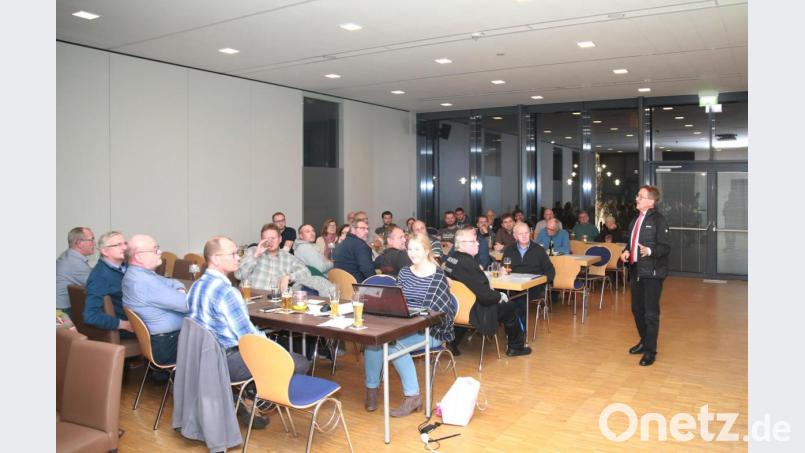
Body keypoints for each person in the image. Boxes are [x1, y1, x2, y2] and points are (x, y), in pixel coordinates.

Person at [188, 236, 309, 428]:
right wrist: (276, 349)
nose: (238, 257)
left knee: (275, 348)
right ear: (216, 259)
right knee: (300, 363)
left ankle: (243, 395)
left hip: (204, 358)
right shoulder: (227, 293)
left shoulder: (195, 286)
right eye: (234, 254)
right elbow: (249, 338)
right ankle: (255, 399)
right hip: (227, 360)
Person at [363, 233, 455, 416]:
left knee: (393, 347)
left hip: (431, 330)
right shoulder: (405, 272)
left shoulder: (437, 275)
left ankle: (413, 397)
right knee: (373, 342)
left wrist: (414, 316)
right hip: (405, 325)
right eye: (410, 249)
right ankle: (371, 390)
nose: (412, 253)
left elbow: (441, 312)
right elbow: (397, 300)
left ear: (427, 250)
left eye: (417, 249)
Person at [443, 227, 531, 357]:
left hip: (457, 309)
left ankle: (453, 341)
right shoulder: (468, 264)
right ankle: (516, 347)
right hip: (477, 311)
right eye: (473, 241)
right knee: (511, 307)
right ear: (461, 244)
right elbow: (485, 296)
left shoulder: (451, 259)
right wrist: (500, 296)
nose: (478, 243)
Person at [621, 186, 670, 367]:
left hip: (652, 273)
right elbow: (630, 244)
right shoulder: (635, 220)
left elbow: (665, 247)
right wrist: (626, 252)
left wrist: (649, 250)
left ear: (651, 201)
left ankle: (650, 351)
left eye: (640, 196)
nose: (637, 199)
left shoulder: (659, 220)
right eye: (637, 196)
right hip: (636, 271)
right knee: (637, 310)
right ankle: (644, 341)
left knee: (651, 314)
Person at [122, 234, 188, 365]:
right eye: (155, 249)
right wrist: (182, 294)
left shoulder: (137, 274)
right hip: (168, 345)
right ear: (140, 256)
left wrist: (180, 289)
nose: (160, 252)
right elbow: (187, 305)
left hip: (162, 341)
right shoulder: (144, 281)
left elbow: (172, 282)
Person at [236, 224, 334, 295]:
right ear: (261, 240)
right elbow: (238, 275)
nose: (269, 242)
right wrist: (256, 256)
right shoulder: (251, 251)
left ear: (280, 239)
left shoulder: (288, 257)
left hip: (274, 302)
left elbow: (305, 272)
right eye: (266, 239)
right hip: (251, 299)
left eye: (273, 238)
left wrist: (288, 277)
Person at [502, 222, 556, 329]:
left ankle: (520, 334)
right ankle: (512, 331)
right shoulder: (509, 250)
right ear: (515, 236)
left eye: (526, 233)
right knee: (499, 298)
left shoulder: (539, 250)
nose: (524, 236)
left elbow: (550, 271)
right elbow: (503, 267)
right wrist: (502, 270)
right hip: (513, 285)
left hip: (533, 286)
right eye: (521, 234)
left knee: (520, 300)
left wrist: (542, 281)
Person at [84, 231, 134, 334]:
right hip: (130, 327)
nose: (125, 247)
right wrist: (124, 324)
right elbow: (90, 316)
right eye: (118, 245)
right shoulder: (100, 276)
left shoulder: (126, 266)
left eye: (125, 243)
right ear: (105, 251)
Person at [56, 227, 95, 315]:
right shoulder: (75, 263)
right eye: (91, 240)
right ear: (79, 243)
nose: (94, 243)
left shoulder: (69, 255)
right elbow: (98, 285)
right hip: (61, 313)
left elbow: (90, 272)